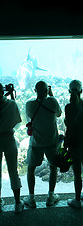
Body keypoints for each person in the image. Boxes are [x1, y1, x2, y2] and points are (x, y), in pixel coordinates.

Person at [24, 81, 62, 208]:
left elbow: (29, 119)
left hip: (36, 143)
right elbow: (59, 113)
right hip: (51, 141)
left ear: (35, 91)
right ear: (47, 90)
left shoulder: (29, 104)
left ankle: (31, 198)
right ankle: (51, 196)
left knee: (30, 169)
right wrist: (51, 95)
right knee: (53, 167)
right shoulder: (52, 102)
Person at [64, 80, 83, 209]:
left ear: (69, 90)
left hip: (75, 141)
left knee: (77, 173)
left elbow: (70, 127)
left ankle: (77, 200)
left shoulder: (69, 107)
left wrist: (64, 145)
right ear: (81, 90)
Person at [0, 83, 24, 213]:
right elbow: (17, 118)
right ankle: (17, 202)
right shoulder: (10, 104)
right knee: (13, 171)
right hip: (9, 139)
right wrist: (11, 96)